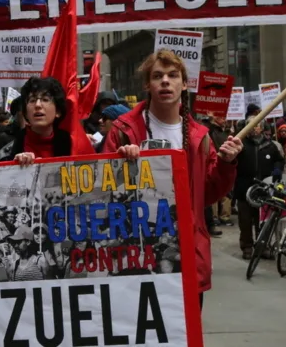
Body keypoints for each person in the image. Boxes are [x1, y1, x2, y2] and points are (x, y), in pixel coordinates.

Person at [102, 49, 242, 308]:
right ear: (148, 84)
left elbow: (208, 194)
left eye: (172, 75)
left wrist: (226, 163)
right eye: (157, 76)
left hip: (186, 253)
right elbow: (104, 193)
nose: (165, 81)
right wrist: (120, 163)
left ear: (184, 84)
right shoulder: (123, 131)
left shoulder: (201, 136)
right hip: (138, 254)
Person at [0, 77, 74, 164]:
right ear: (26, 112)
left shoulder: (72, 144)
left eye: (45, 100)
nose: (37, 105)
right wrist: (13, 165)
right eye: (32, 100)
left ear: (58, 111)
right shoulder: (6, 145)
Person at [234, 120, 285, 259]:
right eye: (250, 125)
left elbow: (279, 160)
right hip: (244, 187)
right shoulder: (241, 143)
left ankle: (262, 246)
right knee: (245, 219)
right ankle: (247, 246)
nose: (253, 128)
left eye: (256, 125)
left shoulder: (270, 145)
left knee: (262, 219)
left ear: (261, 128)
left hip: (264, 188)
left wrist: (277, 169)